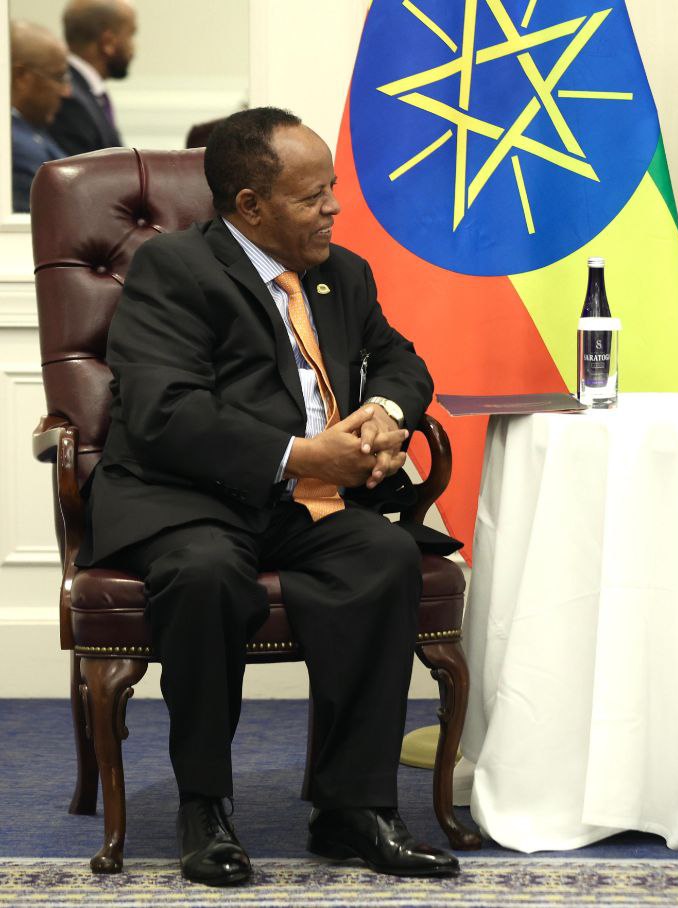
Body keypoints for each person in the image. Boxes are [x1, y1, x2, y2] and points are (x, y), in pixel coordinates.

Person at [76, 106, 458, 886]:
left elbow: (401, 360)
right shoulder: (174, 269)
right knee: (205, 574)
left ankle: (353, 808)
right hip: (188, 499)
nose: (334, 208)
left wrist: (383, 415)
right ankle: (205, 808)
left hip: (304, 505)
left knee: (384, 556)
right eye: (314, 196)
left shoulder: (342, 272)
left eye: (332, 189)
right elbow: (165, 413)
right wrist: (303, 453)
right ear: (250, 205)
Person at [48, 0, 134, 156]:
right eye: (130, 35)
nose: (134, 48)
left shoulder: (88, 91)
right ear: (108, 42)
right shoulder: (70, 99)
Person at [10, 21, 71, 213]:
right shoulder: (14, 145)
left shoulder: (31, 129)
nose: (66, 91)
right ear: (21, 76)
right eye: (58, 77)